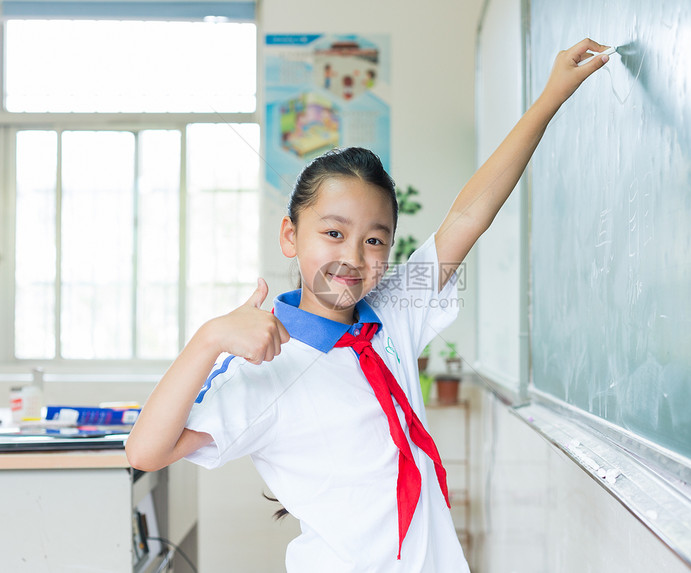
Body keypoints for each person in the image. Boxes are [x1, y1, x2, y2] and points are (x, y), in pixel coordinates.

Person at [126, 38, 610, 572]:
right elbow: (145, 452)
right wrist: (210, 337)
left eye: (375, 240)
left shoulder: (392, 315)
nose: (353, 257)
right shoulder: (267, 365)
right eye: (333, 232)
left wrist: (549, 100)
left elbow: (469, 215)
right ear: (290, 236)